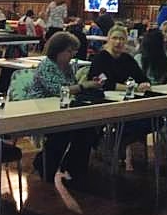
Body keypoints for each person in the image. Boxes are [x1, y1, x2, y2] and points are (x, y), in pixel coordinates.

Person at [25, 32, 103, 182]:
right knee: (65, 131)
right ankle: (46, 164)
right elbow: (60, 90)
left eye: (74, 50)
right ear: (57, 50)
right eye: (69, 51)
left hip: (61, 108)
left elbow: (71, 87)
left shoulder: (67, 66)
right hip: (40, 109)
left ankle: (74, 168)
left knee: (87, 127)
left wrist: (86, 85)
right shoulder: (47, 65)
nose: (73, 54)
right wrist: (83, 85)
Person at [88, 24, 152, 170]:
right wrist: (132, 87)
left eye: (122, 39)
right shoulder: (100, 58)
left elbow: (142, 78)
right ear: (108, 39)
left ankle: (118, 142)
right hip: (105, 102)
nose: (118, 42)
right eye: (115, 38)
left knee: (155, 120)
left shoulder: (127, 58)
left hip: (127, 102)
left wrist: (145, 84)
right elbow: (101, 83)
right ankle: (111, 144)